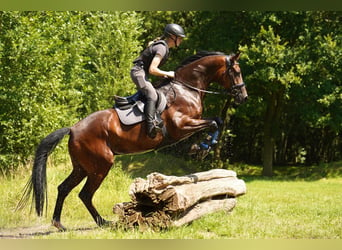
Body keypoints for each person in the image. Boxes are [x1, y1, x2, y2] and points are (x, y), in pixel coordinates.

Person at [131, 23, 185, 138]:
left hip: (142, 72)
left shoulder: (164, 47)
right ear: (172, 37)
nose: (181, 40)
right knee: (152, 95)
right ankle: (150, 127)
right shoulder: (162, 48)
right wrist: (168, 73)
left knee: (155, 91)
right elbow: (152, 69)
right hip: (138, 72)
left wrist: (164, 76)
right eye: (179, 37)